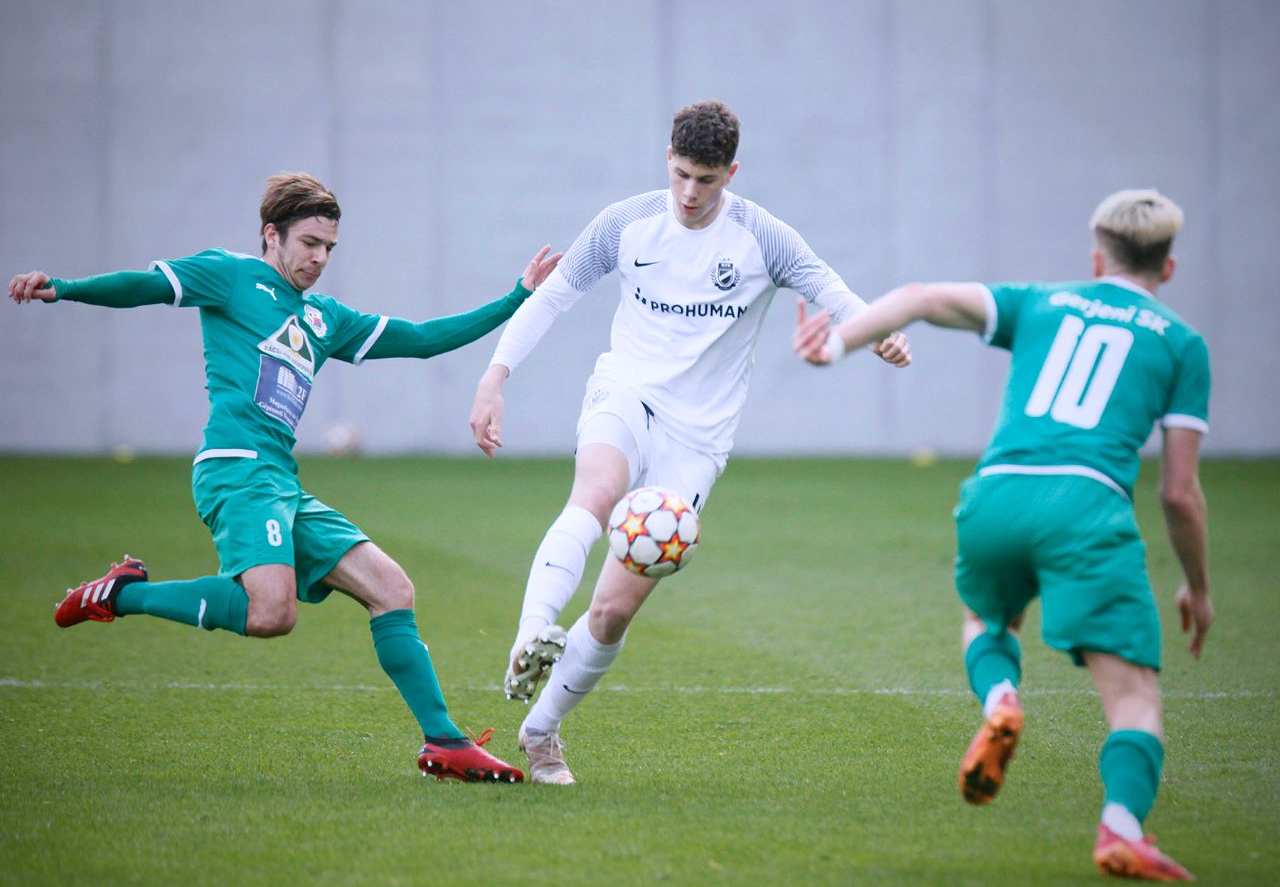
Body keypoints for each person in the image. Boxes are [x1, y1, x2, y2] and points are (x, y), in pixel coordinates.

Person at [8, 172, 563, 784]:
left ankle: (444, 742)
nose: (320, 258)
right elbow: (144, 285)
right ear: (271, 235)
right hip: (235, 470)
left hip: (280, 482)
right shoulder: (229, 275)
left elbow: (425, 340)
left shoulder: (325, 317)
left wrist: (516, 298)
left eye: (329, 247)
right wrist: (63, 289)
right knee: (271, 613)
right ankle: (120, 595)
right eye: (309, 243)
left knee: (391, 588)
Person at [468, 100, 912, 784]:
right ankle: (533, 631)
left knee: (614, 610)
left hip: (697, 440)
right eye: (680, 175)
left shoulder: (763, 238)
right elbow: (552, 297)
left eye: (705, 180)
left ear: (730, 173)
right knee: (596, 492)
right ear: (667, 160)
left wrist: (877, 332)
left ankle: (541, 730)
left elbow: (833, 291)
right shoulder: (625, 224)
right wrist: (493, 378)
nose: (689, 194)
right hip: (626, 392)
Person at [793, 188, 1211, 880]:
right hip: (1087, 507)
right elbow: (1178, 493)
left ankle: (1001, 700)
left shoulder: (1042, 302)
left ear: (1096, 258)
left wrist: (837, 343)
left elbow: (920, 297)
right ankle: (1121, 827)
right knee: (1134, 697)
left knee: (986, 620)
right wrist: (1197, 587)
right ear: (1167, 267)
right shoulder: (1182, 344)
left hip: (996, 495)